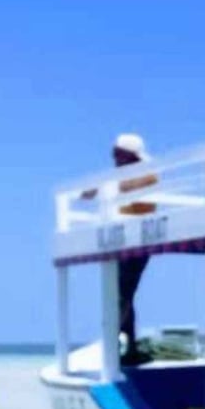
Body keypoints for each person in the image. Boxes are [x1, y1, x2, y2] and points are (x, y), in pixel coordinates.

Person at [82, 134, 158, 366]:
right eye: (113, 153)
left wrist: (105, 184)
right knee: (124, 295)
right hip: (122, 240)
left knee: (122, 294)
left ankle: (113, 343)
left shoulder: (146, 171)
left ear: (130, 154)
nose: (114, 157)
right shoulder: (120, 175)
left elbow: (131, 188)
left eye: (118, 153)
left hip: (138, 241)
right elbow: (86, 194)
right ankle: (130, 347)